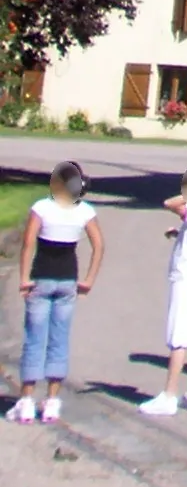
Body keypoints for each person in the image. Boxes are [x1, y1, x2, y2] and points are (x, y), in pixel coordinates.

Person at [6, 161, 104, 425]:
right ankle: (51, 401)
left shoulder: (42, 208)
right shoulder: (84, 211)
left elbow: (28, 245)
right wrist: (89, 279)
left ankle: (26, 401)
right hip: (68, 281)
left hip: (42, 278)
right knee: (59, 340)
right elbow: (99, 245)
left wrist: (25, 278)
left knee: (35, 340)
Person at [139, 167, 187, 417]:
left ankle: (169, 395)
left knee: (178, 336)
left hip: (184, 276)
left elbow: (169, 203)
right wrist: (178, 232)